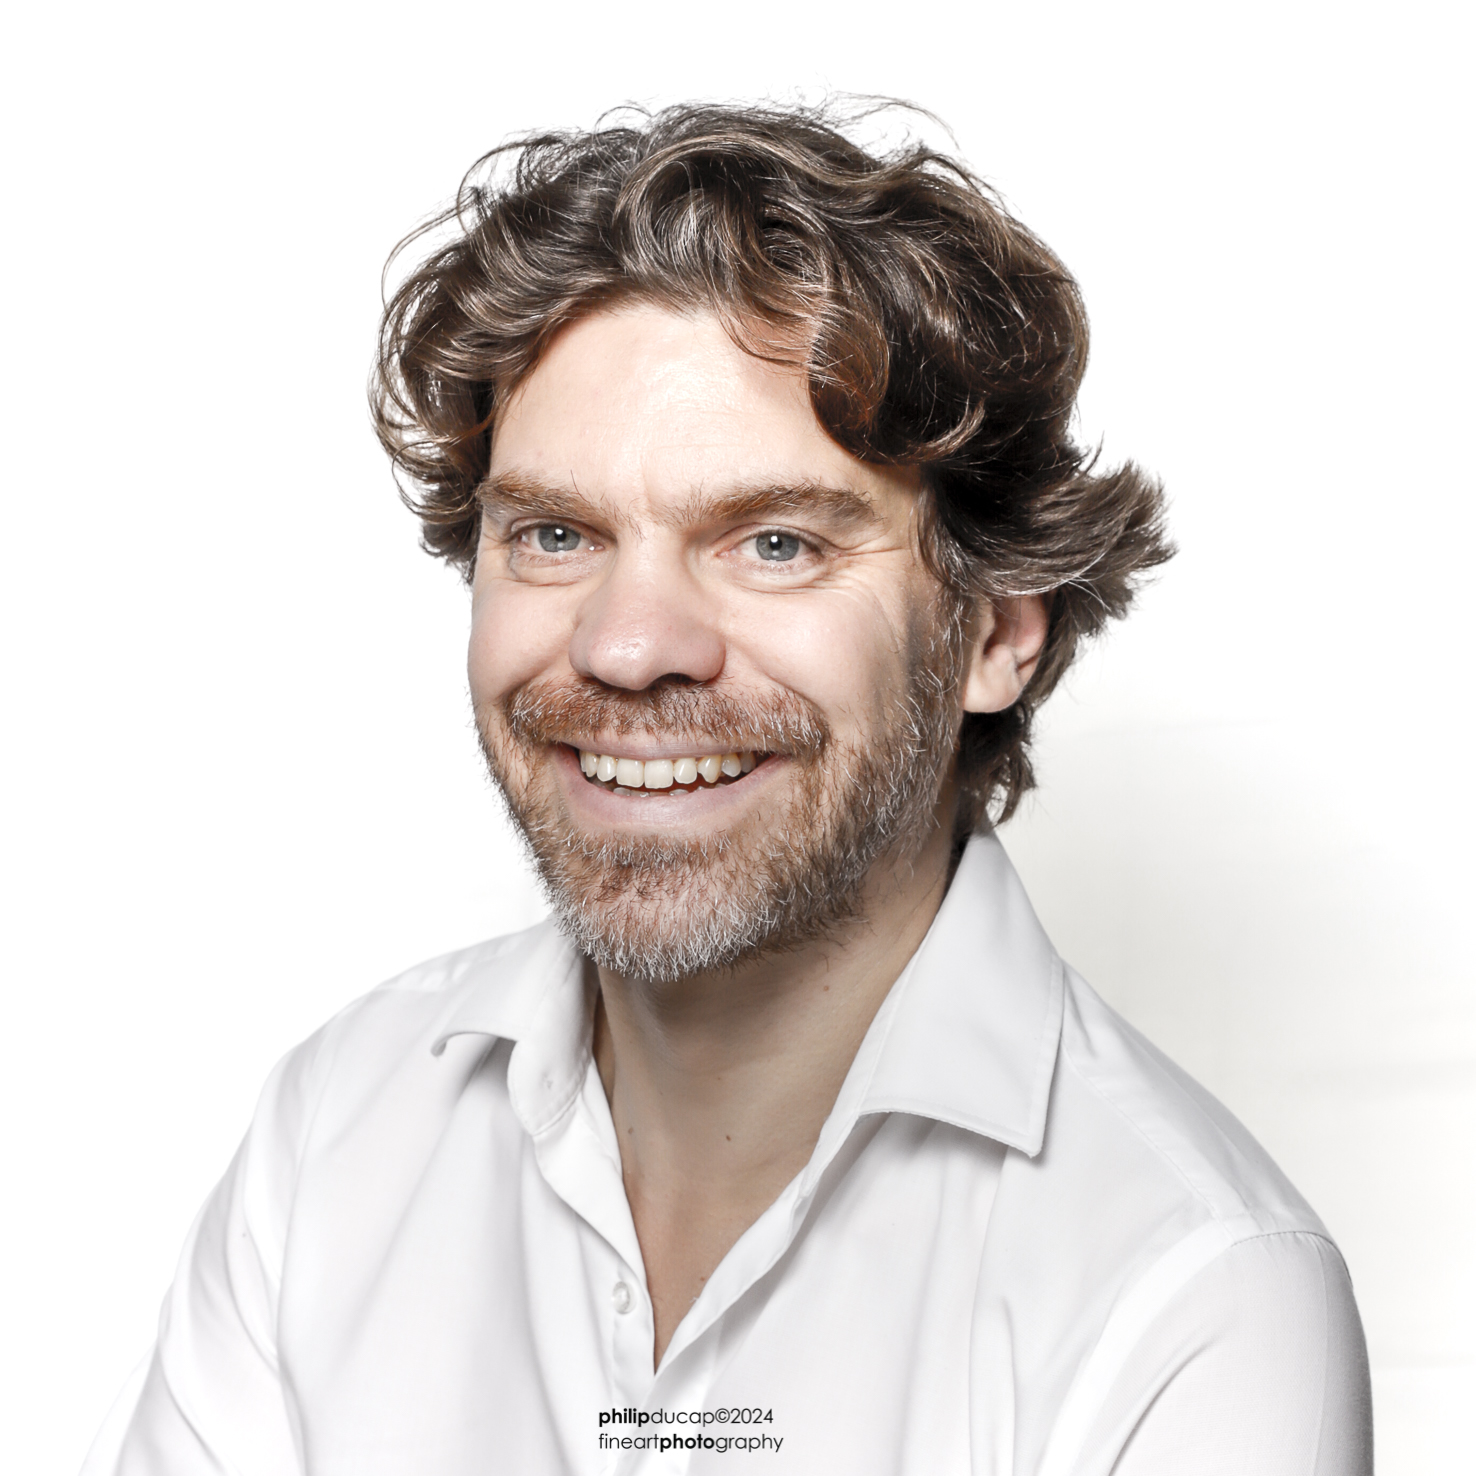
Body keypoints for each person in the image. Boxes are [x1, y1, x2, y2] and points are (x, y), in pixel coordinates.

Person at [83, 102, 1373, 1475]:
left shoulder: (1195, 1300)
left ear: (995, 632)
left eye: (773, 543)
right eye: (556, 534)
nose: (628, 645)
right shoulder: (337, 1133)